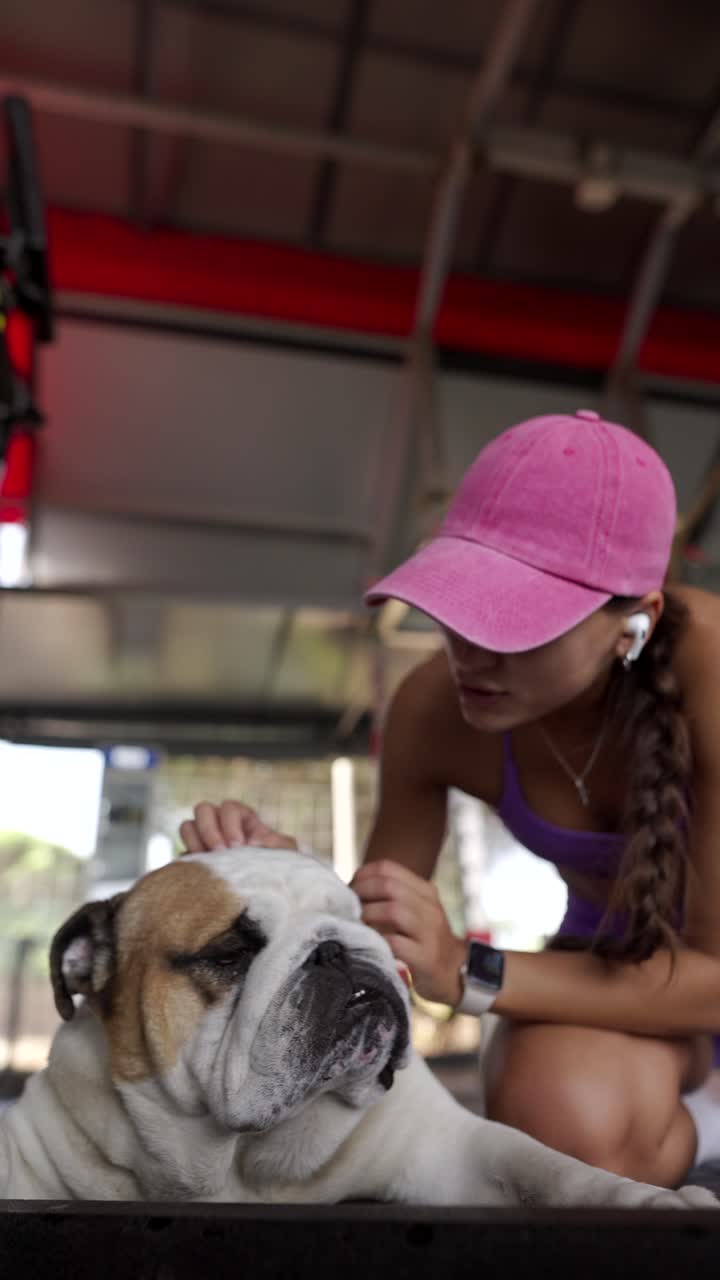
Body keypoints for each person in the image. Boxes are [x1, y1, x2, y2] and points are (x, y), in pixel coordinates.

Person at [180, 409, 720, 1191]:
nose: (470, 650)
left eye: (518, 621)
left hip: (700, 974)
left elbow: (711, 976)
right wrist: (291, 879)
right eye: (462, 603)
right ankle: (696, 1119)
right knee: (558, 1125)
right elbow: (384, 939)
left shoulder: (712, 673)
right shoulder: (433, 709)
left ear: (633, 621)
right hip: (609, 972)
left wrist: (472, 971)